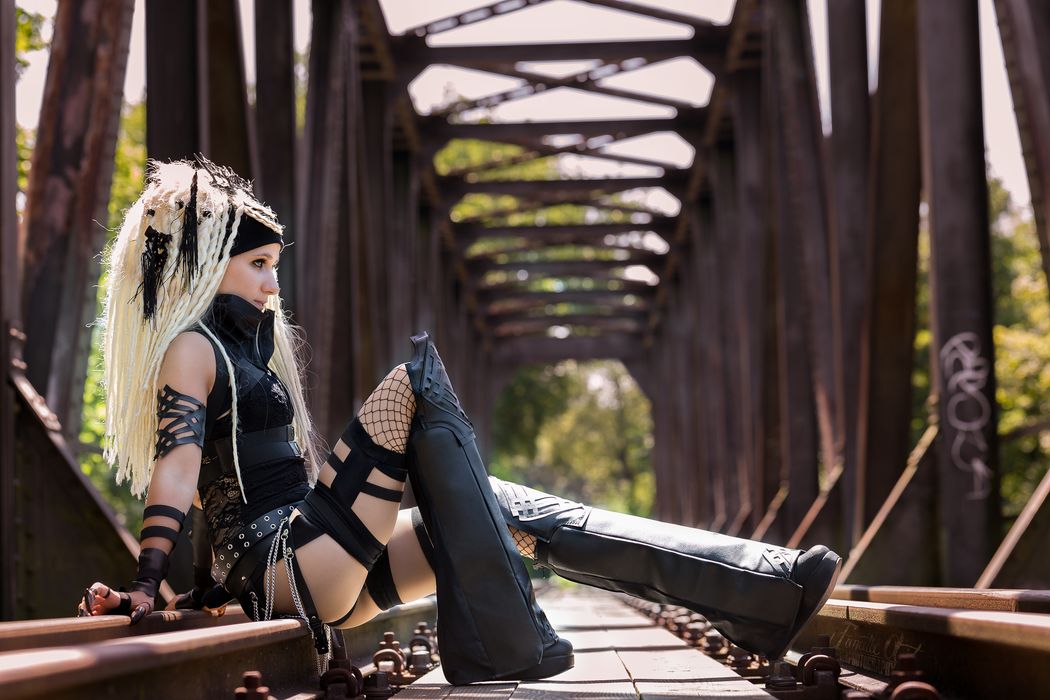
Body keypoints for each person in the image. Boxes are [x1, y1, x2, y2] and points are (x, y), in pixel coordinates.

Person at [77, 157, 841, 685]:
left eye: (275, 265)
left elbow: (218, 486)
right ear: (211, 264)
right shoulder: (192, 349)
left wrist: (191, 594)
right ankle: (509, 638)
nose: (275, 284)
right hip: (290, 561)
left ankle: (764, 593)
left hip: (315, 562)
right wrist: (147, 583)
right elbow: (180, 470)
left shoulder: (241, 352)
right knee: (413, 382)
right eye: (259, 265)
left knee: (511, 510)